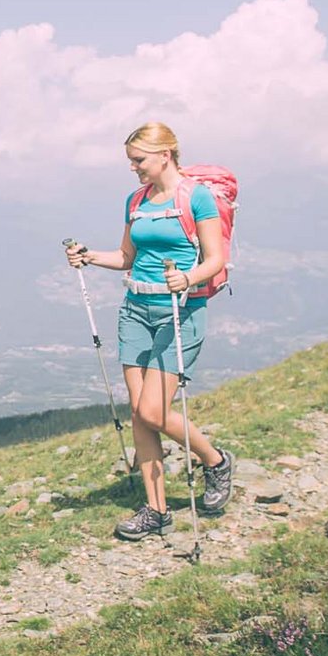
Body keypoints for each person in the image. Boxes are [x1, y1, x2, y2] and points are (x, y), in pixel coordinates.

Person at [65, 122, 234, 541]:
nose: (134, 169)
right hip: (135, 310)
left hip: (181, 310)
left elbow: (216, 258)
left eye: (138, 160)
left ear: (165, 154)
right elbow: (126, 256)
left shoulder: (197, 197)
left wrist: (189, 278)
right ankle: (156, 510)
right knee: (140, 413)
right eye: (130, 161)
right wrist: (89, 256)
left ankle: (215, 461)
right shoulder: (136, 200)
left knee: (154, 413)